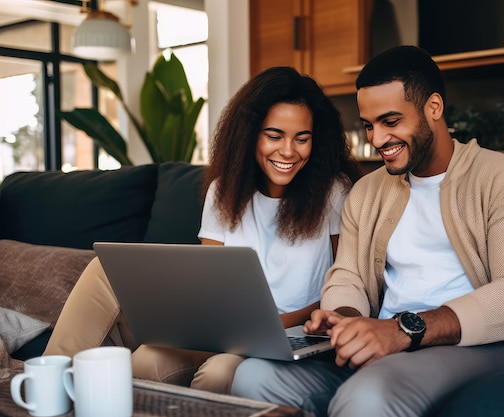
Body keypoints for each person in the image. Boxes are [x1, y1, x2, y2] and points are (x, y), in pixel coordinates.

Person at [229, 46, 504, 416]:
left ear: (433, 108)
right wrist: (346, 317)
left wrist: (404, 330)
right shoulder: (367, 192)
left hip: (484, 343)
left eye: (391, 121)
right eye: (369, 125)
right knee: (253, 377)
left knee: (370, 396)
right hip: (387, 339)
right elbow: (348, 275)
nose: (377, 138)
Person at [44, 66, 360, 394]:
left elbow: (342, 284)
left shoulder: (334, 193)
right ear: (251, 134)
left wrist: (269, 326)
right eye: (274, 135)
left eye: (302, 138)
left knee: (219, 373)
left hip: (281, 337)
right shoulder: (224, 190)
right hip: (220, 329)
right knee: (134, 338)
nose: (288, 151)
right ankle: (50, 387)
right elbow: (211, 283)